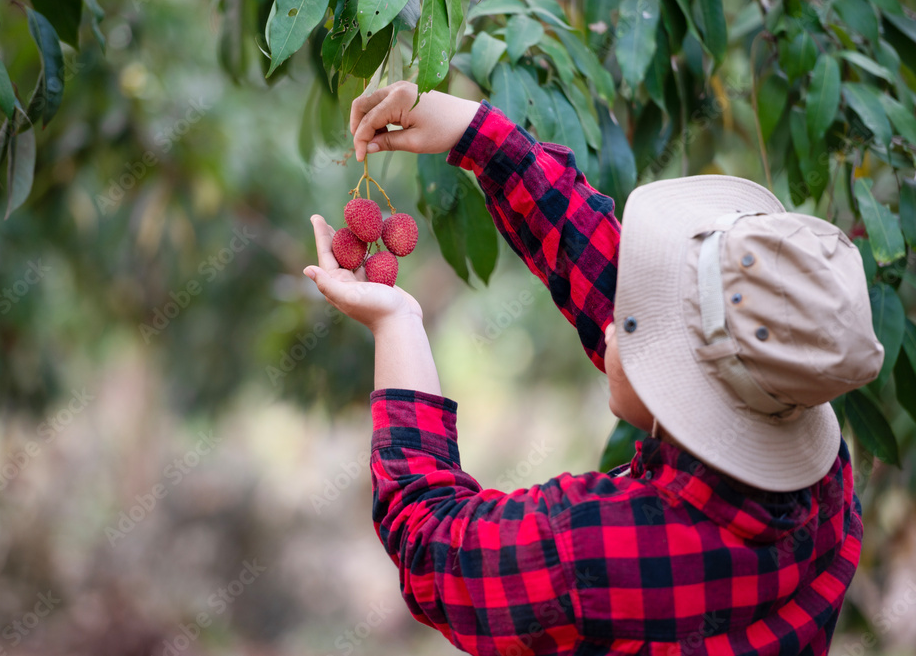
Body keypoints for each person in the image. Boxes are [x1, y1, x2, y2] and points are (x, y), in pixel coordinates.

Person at [303, 81, 884, 656]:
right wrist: (481, 137)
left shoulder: (597, 556)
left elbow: (432, 545)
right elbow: (620, 281)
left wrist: (396, 323)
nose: (614, 324)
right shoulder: (825, 488)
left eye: (639, 329)